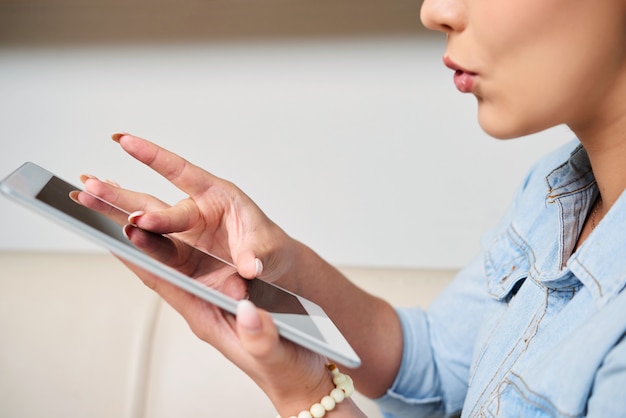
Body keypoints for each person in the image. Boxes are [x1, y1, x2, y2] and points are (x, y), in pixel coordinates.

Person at [80, 0, 626, 416]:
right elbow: (435, 366)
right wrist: (280, 265)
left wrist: (308, 394)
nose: (435, 11)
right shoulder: (556, 193)